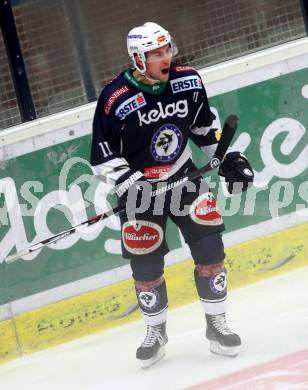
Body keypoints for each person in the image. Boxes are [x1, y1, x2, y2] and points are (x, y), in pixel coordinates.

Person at [90, 22, 254, 368]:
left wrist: (226, 159)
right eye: (156, 54)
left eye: (167, 50)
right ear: (138, 58)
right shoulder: (115, 99)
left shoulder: (188, 82)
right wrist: (130, 182)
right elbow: (104, 156)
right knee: (146, 267)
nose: (166, 58)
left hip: (183, 177)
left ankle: (216, 325)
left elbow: (202, 127)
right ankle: (155, 332)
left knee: (211, 249)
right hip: (140, 192)